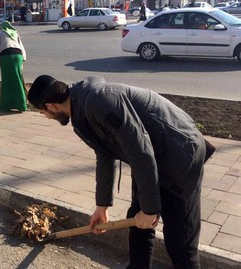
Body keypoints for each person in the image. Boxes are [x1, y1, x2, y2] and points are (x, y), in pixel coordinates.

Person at [27, 75, 212, 269]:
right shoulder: (80, 108)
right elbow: (104, 155)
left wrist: (150, 209)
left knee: (179, 243)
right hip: (152, 157)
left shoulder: (99, 101)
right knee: (138, 224)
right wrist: (102, 206)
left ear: (51, 107)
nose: (46, 117)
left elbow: (141, 150)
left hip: (180, 156)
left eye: (43, 113)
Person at [0, 21, 27, 112]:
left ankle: (7, 105)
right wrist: (22, 59)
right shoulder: (15, 33)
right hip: (18, 56)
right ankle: (21, 105)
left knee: (7, 81)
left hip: (6, 57)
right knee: (18, 79)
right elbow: (21, 47)